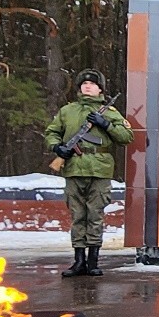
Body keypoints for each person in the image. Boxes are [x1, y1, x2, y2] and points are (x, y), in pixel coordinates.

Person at [44, 68, 133, 277]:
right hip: (74, 168)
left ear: (100, 88)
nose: (87, 86)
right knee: (78, 216)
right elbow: (52, 133)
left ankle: (93, 261)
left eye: (92, 83)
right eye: (84, 83)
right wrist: (58, 148)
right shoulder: (68, 111)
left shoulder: (110, 112)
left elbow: (126, 137)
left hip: (99, 169)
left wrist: (106, 125)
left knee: (95, 215)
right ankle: (78, 261)